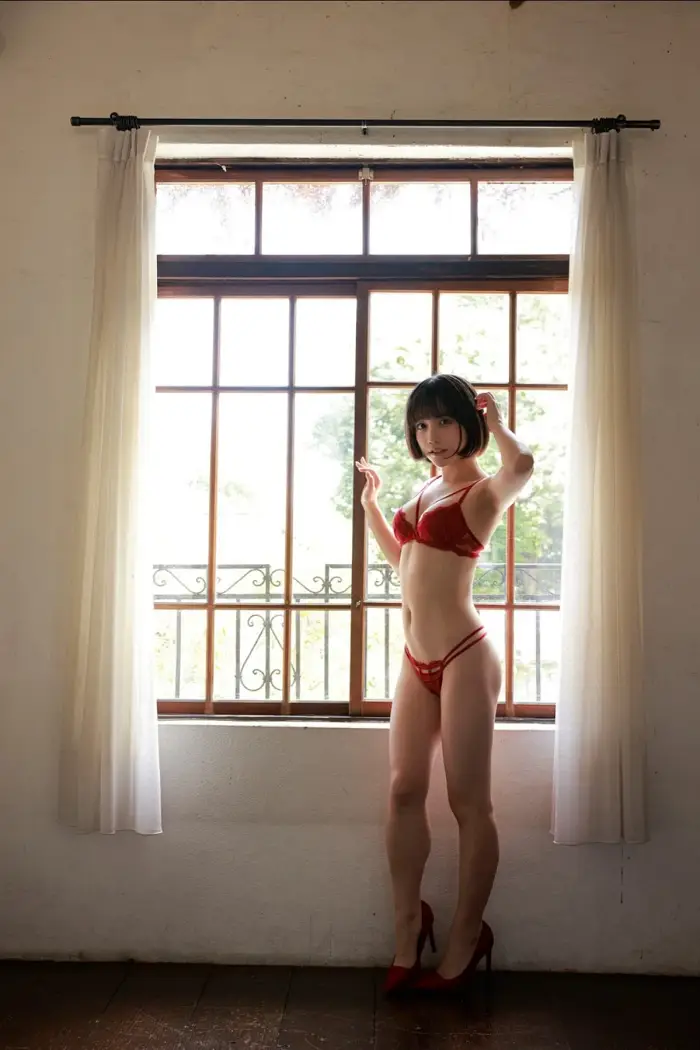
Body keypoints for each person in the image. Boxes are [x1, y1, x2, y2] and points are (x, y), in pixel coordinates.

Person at [356, 373, 534, 995]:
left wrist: (499, 421)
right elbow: (403, 561)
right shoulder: (426, 489)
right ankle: (409, 928)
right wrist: (372, 508)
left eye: (445, 422)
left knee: (468, 802)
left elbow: (523, 466)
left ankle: (465, 936)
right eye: (422, 425)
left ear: (469, 424)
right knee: (404, 790)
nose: (431, 436)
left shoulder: (483, 491)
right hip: (416, 658)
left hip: (464, 654)